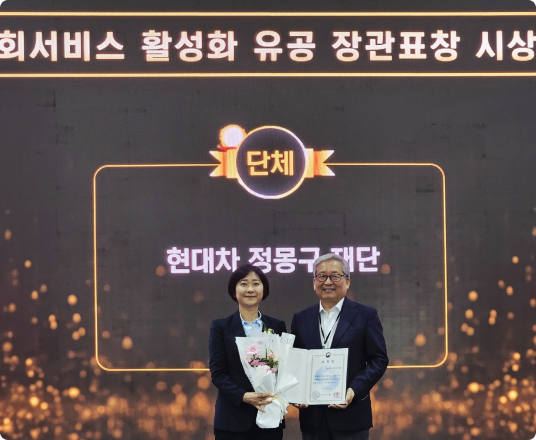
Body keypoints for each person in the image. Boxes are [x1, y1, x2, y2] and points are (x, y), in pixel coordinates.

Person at [291, 253, 388, 440]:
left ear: (347, 281)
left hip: (351, 417)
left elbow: (379, 360)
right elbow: (295, 362)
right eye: (322, 276)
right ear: (314, 282)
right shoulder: (301, 318)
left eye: (335, 276)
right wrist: (295, 393)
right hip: (313, 419)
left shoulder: (365, 315)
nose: (328, 282)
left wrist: (353, 390)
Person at [209, 264, 287, 440]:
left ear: (263, 290)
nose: (250, 289)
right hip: (232, 420)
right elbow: (218, 373)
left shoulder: (277, 326)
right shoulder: (221, 327)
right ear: (234, 290)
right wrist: (243, 396)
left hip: (269, 418)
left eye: (256, 283)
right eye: (243, 284)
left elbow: (284, 368)